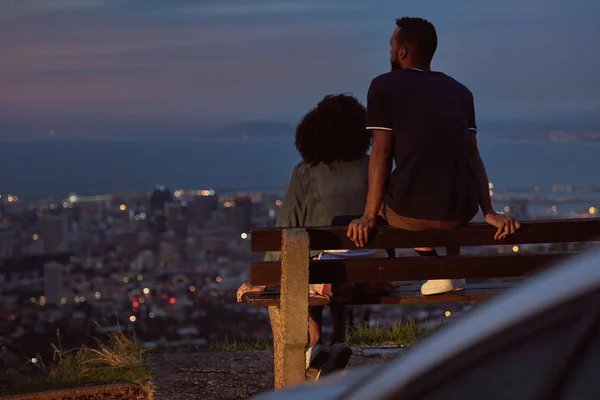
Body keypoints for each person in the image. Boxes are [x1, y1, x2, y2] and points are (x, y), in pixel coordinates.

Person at [347, 17, 521, 295]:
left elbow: (381, 152)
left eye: (392, 45)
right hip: (461, 211)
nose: (390, 51)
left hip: (412, 214)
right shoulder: (461, 92)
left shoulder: (383, 86)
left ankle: (436, 268)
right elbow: (472, 154)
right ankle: (452, 266)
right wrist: (489, 211)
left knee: (382, 206)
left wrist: (368, 215)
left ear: (402, 52)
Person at [237, 93, 388, 378]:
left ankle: (316, 340)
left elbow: (288, 227)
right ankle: (339, 338)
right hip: (372, 273)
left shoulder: (306, 172)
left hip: (327, 276)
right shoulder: (374, 167)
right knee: (338, 266)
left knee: (309, 267)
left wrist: (264, 279)